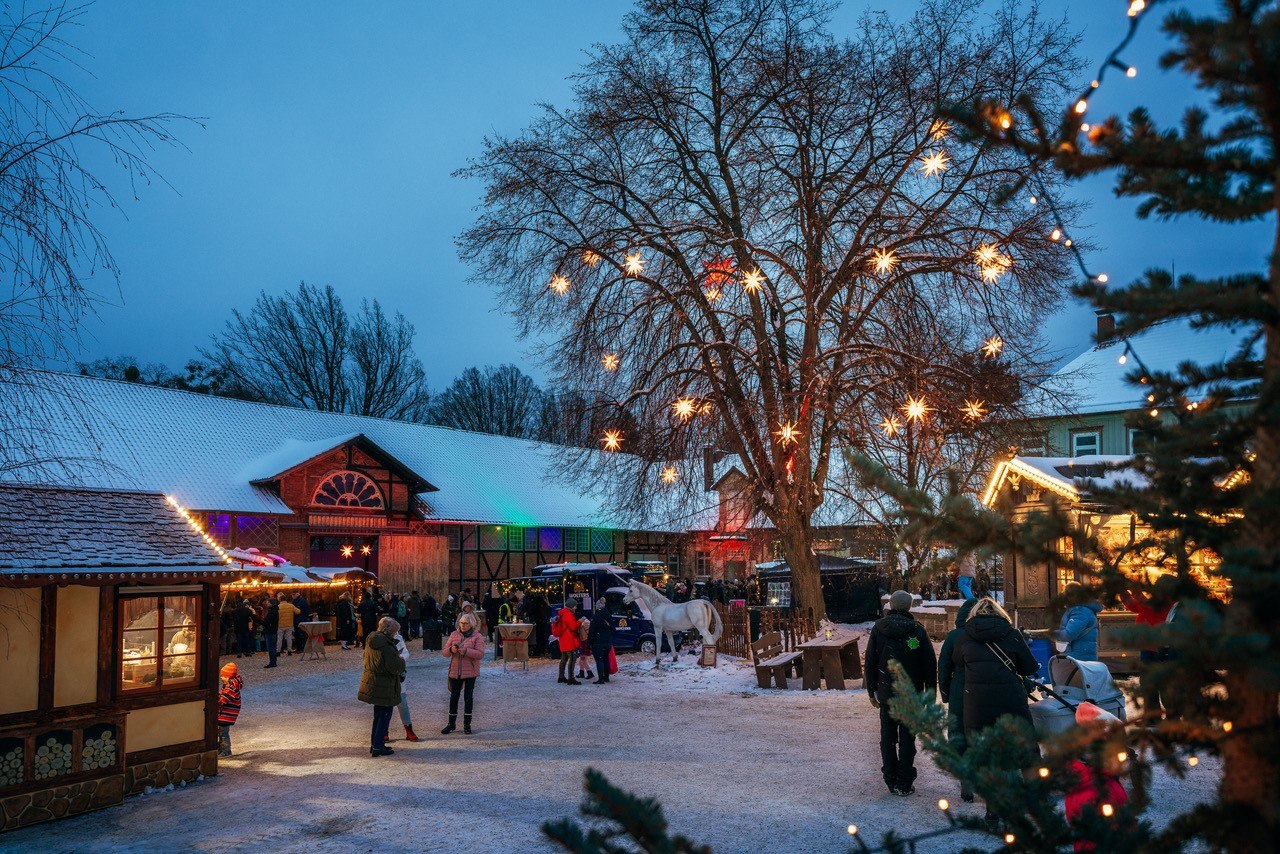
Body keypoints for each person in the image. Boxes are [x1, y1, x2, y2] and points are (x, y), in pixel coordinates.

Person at [952, 597, 1040, 828]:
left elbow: (957, 662)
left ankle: (992, 811)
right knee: (1027, 751)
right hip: (1011, 701)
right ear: (1000, 613)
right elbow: (1029, 667)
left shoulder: (964, 637)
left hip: (977, 705)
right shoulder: (1011, 635)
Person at [864, 590, 937, 796]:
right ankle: (904, 780)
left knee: (887, 737)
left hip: (887, 691)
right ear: (909, 606)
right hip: (910, 693)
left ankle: (890, 777)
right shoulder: (917, 631)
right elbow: (929, 665)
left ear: (892, 605)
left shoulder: (879, 629)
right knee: (907, 738)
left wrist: (872, 691)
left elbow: (870, 661)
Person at [938, 598, 978, 802]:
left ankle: (966, 781)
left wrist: (945, 692)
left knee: (960, 732)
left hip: (960, 689)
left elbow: (944, 666)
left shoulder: (955, 636)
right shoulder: (987, 633)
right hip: (983, 690)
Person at [1122, 575, 1175, 718]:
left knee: (1158, 683)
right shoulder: (1163, 601)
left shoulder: (1165, 603)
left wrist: (1128, 590)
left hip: (1160, 647)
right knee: (1152, 682)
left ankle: (1166, 717)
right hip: (1151, 647)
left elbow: (1139, 605)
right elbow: (1137, 605)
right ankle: (1156, 716)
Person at [358, 616, 406, 757]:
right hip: (385, 685)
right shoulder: (386, 646)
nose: (395, 634)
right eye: (395, 632)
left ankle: (375, 744)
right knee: (384, 715)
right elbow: (394, 666)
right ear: (389, 631)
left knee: (378, 715)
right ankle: (379, 746)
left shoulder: (372, 640)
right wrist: (401, 660)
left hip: (374, 682)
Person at [441, 612, 485, 734]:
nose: (463, 625)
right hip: (455, 671)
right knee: (454, 697)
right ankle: (451, 723)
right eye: (461, 623)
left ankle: (467, 724)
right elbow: (444, 652)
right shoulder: (454, 634)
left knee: (468, 697)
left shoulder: (477, 636)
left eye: (465, 623)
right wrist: (451, 649)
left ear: (471, 624)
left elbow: (480, 654)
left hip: (470, 672)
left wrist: (466, 651)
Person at [1053, 583, 1102, 661]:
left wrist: (1052, 633)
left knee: (1075, 673)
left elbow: (1069, 634)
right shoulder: (1081, 609)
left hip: (1078, 656)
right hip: (1080, 654)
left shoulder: (1080, 611)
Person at [393, 627, 418, 742]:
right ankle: (384, 731)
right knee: (385, 706)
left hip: (399, 674)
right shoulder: (380, 640)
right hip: (387, 676)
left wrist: (400, 658)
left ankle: (408, 729)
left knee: (403, 703)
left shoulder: (398, 637)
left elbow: (406, 652)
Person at [551, 604, 582, 685]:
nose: (575, 607)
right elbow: (573, 627)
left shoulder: (562, 613)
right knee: (572, 659)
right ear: (570, 606)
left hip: (563, 640)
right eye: (574, 606)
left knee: (564, 659)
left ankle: (561, 677)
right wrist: (580, 621)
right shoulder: (568, 614)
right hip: (569, 640)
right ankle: (571, 678)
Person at [217, 662, 243, 757]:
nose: (221, 678)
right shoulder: (230, 685)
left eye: (223, 676)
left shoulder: (231, 688)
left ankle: (226, 750)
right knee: (221, 732)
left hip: (227, 714)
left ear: (228, 677)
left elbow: (222, 700)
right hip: (225, 713)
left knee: (223, 733)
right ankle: (221, 749)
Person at [587, 602, 615, 684]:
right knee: (606, 659)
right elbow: (613, 629)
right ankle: (606, 677)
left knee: (599, 660)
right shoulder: (609, 616)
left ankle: (600, 679)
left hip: (598, 642)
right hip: (608, 642)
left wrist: (589, 643)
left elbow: (592, 631)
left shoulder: (596, 617)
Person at [574, 604, 594, 681]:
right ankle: (581, 673)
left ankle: (590, 673)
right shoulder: (588, 621)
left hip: (583, 642)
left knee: (583, 659)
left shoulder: (582, 624)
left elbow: (581, 635)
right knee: (581, 659)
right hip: (586, 642)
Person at [261, 595, 280, 668]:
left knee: (271, 647)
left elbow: (267, 622)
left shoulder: (272, 612)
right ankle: (273, 661)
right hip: (273, 630)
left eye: (268, 602)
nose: (267, 603)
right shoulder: (274, 611)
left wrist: (259, 621)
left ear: (271, 603)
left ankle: (272, 662)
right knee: (272, 646)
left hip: (270, 631)